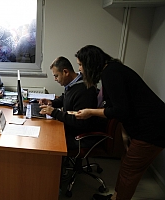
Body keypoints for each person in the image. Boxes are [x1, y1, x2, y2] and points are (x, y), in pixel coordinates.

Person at [74, 45, 165, 200]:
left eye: (81, 65)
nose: (80, 70)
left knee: (129, 171)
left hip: (153, 129)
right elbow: (124, 106)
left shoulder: (111, 74)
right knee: (126, 166)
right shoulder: (112, 70)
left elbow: (119, 110)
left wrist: (90, 112)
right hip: (143, 126)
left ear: (90, 63)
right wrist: (125, 132)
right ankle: (115, 197)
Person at [39, 56, 105, 150]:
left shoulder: (84, 90)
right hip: (71, 127)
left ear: (66, 72)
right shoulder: (73, 84)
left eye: (56, 75)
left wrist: (54, 112)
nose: (55, 79)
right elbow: (66, 99)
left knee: (47, 139)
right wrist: (52, 103)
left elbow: (80, 122)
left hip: (78, 134)